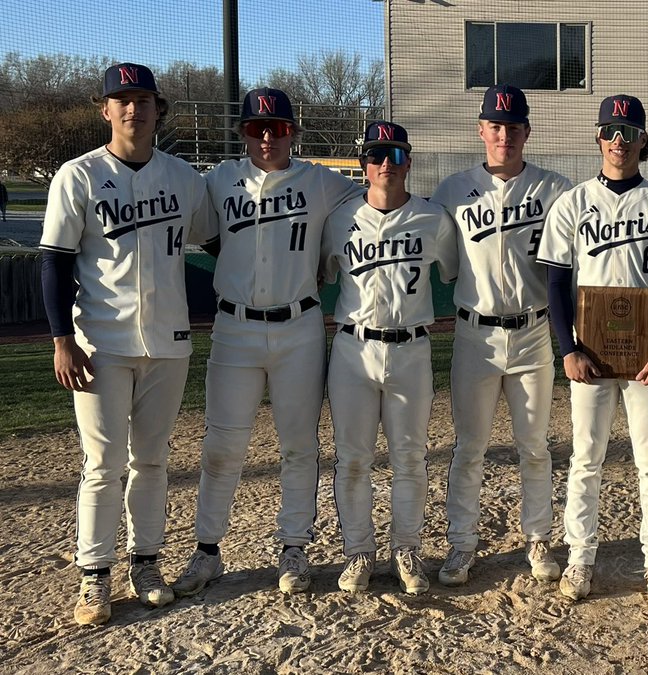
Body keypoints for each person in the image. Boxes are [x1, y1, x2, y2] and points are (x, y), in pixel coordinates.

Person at [39, 63, 215, 625]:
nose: (133, 108)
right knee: (103, 462)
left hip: (168, 341)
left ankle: (146, 561)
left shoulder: (184, 178)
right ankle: (94, 576)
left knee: (153, 460)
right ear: (106, 110)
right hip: (101, 342)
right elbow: (55, 262)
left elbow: (216, 241)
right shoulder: (79, 175)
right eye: (122, 99)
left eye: (143, 98)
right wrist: (61, 340)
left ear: (159, 109)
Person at [172, 88, 362, 597]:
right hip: (233, 327)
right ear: (243, 134)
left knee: (299, 445)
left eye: (277, 127)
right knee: (222, 446)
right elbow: (200, 229)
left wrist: (328, 255)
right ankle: (207, 550)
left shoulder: (322, 182)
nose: (267, 137)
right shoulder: (218, 181)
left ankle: (294, 547)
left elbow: (368, 208)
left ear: (294, 133)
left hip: (298, 326)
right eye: (257, 128)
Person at [536, 94, 648, 602]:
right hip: (591, 354)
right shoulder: (574, 203)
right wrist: (567, 348)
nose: (619, 141)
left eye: (629, 132)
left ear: (645, 140)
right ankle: (580, 558)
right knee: (587, 458)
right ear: (598, 138)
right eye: (610, 131)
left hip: (647, 356)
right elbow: (557, 282)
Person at [430, 85, 573, 587]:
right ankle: (461, 544)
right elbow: (448, 268)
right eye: (495, 125)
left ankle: (537, 539)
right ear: (481, 131)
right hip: (476, 334)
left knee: (534, 446)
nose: (504, 135)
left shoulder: (555, 189)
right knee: (470, 447)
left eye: (513, 126)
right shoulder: (452, 190)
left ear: (526, 132)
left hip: (533, 333)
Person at [322, 121, 454, 594]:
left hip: (412, 348)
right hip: (353, 348)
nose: (386, 165)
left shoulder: (433, 218)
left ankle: (407, 549)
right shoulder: (339, 220)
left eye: (395, 156)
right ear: (363, 165)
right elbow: (322, 270)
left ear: (408, 163)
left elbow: (451, 269)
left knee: (410, 458)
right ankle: (359, 551)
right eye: (376, 156)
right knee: (352, 459)